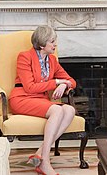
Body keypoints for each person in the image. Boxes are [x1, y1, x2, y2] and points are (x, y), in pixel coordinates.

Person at [9, 26, 76, 175]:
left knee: (70, 110)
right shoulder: (24, 57)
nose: (55, 44)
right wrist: (57, 82)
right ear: (41, 44)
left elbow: (72, 81)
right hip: (21, 98)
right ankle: (45, 161)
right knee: (58, 109)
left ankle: (39, 153)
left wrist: (65, 83)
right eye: (52, 41)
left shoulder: (52, 60)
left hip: (40, 99)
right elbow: (30, 87)